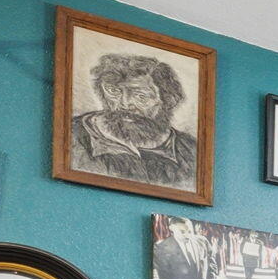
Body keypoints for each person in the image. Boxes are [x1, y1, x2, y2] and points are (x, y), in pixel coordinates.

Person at [68, 53, 198, 188]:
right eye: (113, 91)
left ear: (168, 101)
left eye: (141, 96)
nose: (124, 104)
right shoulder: (71, 135)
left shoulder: (191, 150)